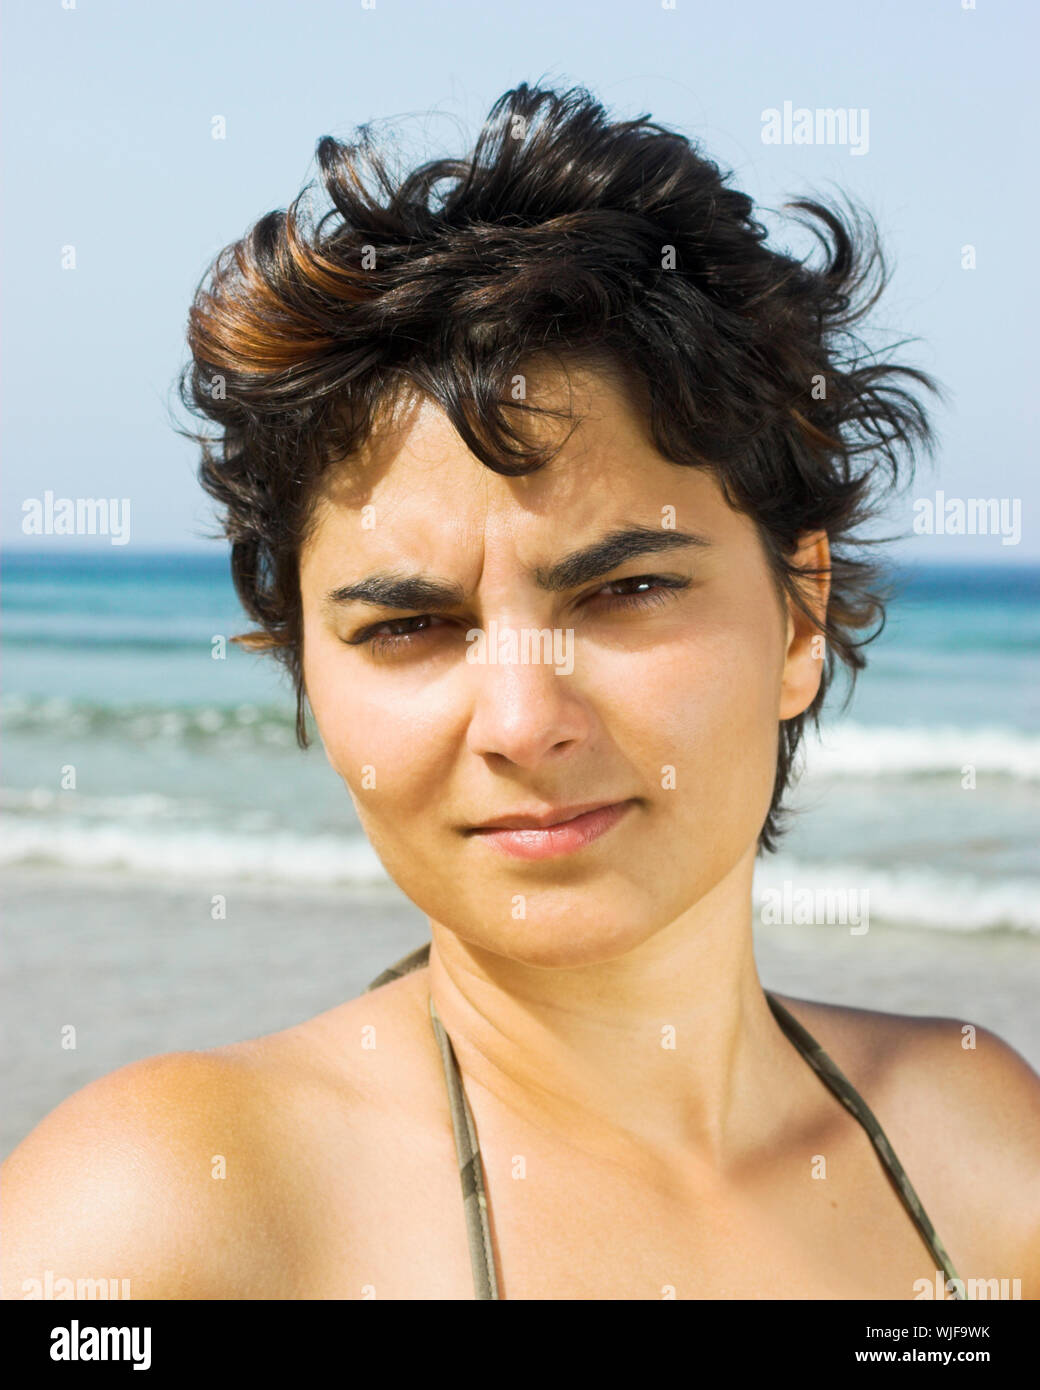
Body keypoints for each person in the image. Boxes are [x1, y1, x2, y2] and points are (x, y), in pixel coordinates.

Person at [4, 82, 1039, 1302]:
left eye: (624, 592)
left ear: (798, 614)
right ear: (308, 675)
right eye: (408, 626)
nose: (519, 722)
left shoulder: (975, 1148)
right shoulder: (167, 1209)